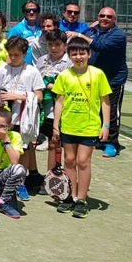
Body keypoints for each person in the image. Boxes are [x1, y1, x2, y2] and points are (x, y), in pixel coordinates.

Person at [51, 37, 112, 218]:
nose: (78, 57)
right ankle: (70, 196)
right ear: (69, 55)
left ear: (89, 54)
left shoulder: (98, 74)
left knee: (83, 161)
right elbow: (59, 102)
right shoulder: (64, 75)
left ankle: (82, 199)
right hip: (68, 126)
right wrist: (56, 125)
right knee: (69, 161)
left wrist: (106, 125)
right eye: (74, 53)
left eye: (82, 53)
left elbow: (105, 101)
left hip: (90, 127)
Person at [0, 36, 44, 198]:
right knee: (2, 148)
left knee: (23, 150)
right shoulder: (2, 69)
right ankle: (3, 181)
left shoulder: (31, 71)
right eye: (10, 54)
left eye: (16, 55)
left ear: (24, 53)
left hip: (23, 119)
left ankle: (21, 183)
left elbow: (39, 96)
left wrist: (17, 96)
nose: (12, 58)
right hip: (3, 119)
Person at [70, 6, 127, 157]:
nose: (105, 19)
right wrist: (87, 30)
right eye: (102, 16)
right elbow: (79, 40)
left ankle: (112, 144)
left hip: (113, 79)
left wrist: (82, 36)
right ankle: (99, 139)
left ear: (114, 20)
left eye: (109, 17)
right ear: (98, 17)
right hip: (94, 78)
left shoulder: (118, 34)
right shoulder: (92, 31)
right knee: (97, 109)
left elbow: (101, 46)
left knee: (112, 112)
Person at [34, 29, 72, 174]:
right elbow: (36, 82)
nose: (54, 48)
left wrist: (48, 85)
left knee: (65, 147)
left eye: (58, 44)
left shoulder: (69, 62)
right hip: (45, 111)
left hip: (64, 111)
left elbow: (66, 88)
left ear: (65, 45)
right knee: (52, 144)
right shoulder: (42, 60)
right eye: (50, 44)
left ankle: (66, 177)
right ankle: (51, 177)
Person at [7, 0, 41, 65]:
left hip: (41, 68)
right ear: (24, 13)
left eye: (34, 10)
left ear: (38, 12)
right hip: (23, 69)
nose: (31, 12)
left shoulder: (43, 28)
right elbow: (9, 50)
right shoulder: (16, 30)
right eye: (28, 11)